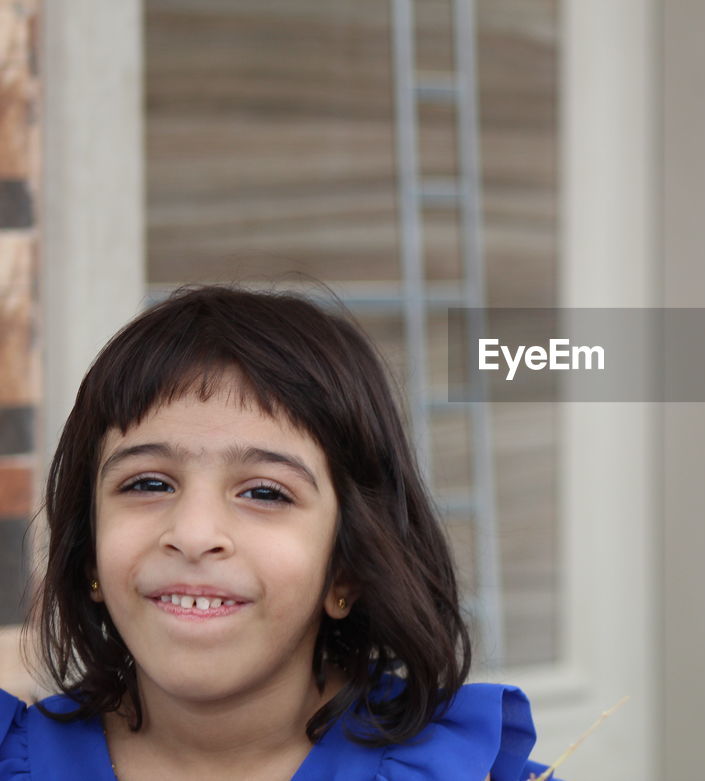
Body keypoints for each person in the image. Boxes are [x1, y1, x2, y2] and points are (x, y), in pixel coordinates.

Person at [0, 285, 559, 780]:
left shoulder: (451, 771)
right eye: (148, 483)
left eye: (265, 492)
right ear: (89, 553)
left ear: (346, 567)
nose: (193, 535)